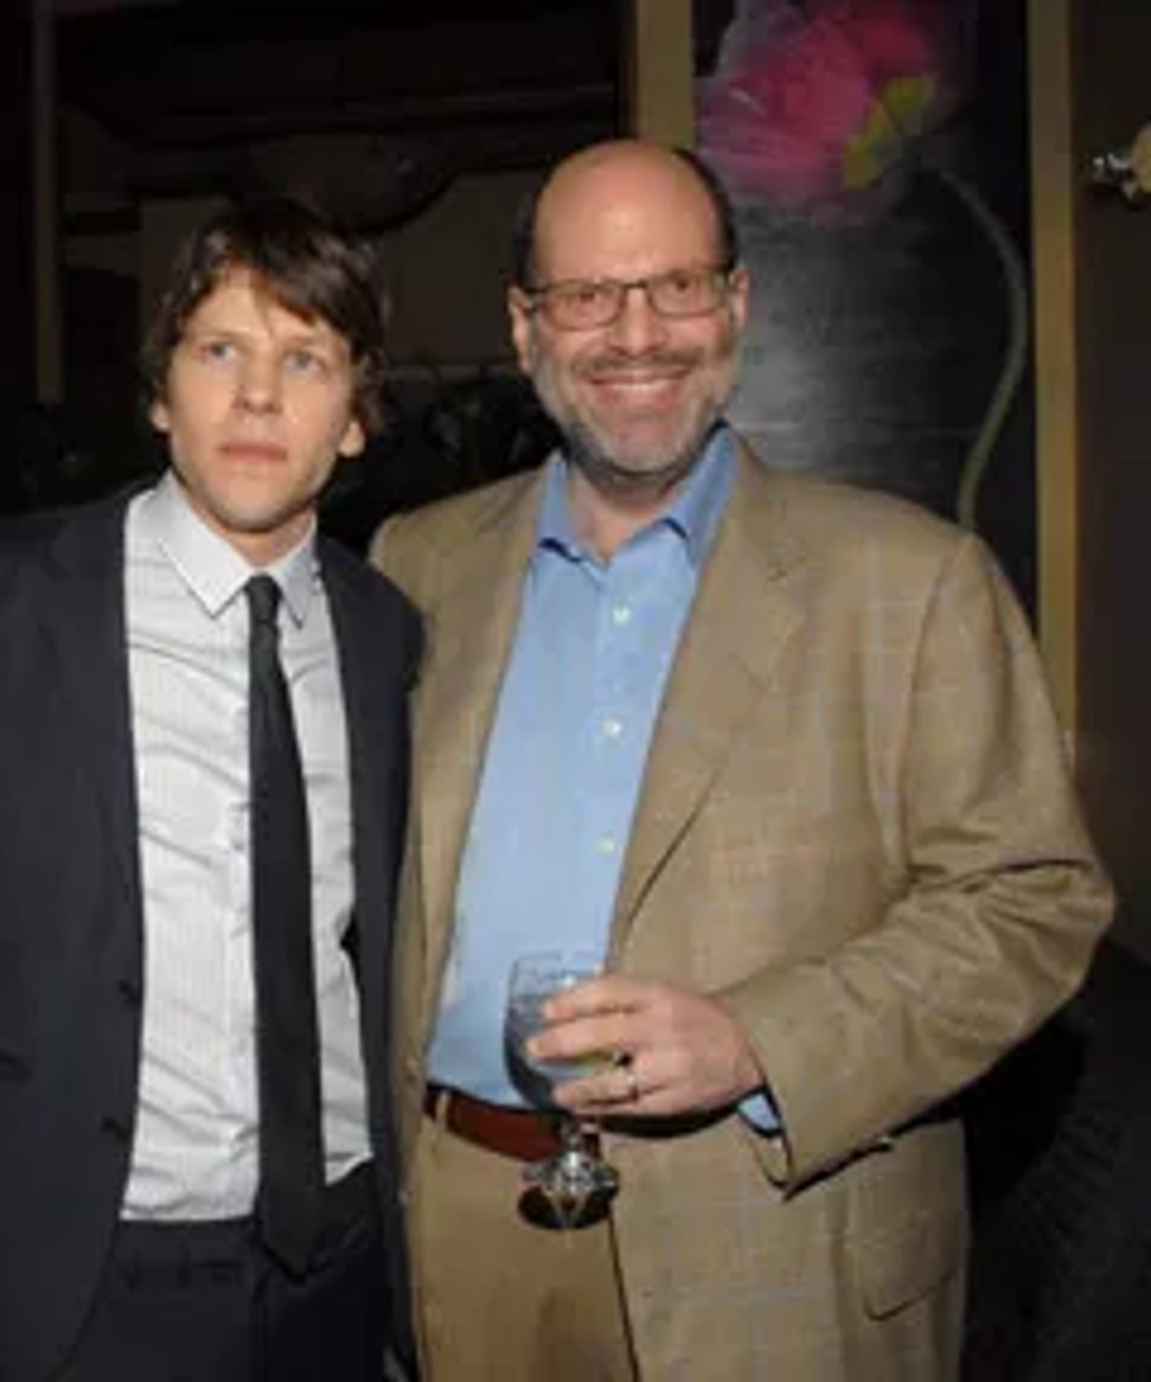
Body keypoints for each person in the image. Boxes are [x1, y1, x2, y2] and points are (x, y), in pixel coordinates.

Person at [370, 138, 1113, 1381]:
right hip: (459, 1223)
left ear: (738, 303)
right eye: (588, 296)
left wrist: (758, 1042)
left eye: (676, 285)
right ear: (524, 328)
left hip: (774, 1238)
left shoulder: (912, 580)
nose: (636, 332)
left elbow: (1037, 900)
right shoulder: (417, 564)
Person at [0, 197, 420, 1381]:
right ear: (158, 390)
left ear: (356, 418)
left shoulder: (390, 633)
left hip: (339, 1262)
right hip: (86, 1274)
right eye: (218, 349)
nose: (257, 396)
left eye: (305, 359)